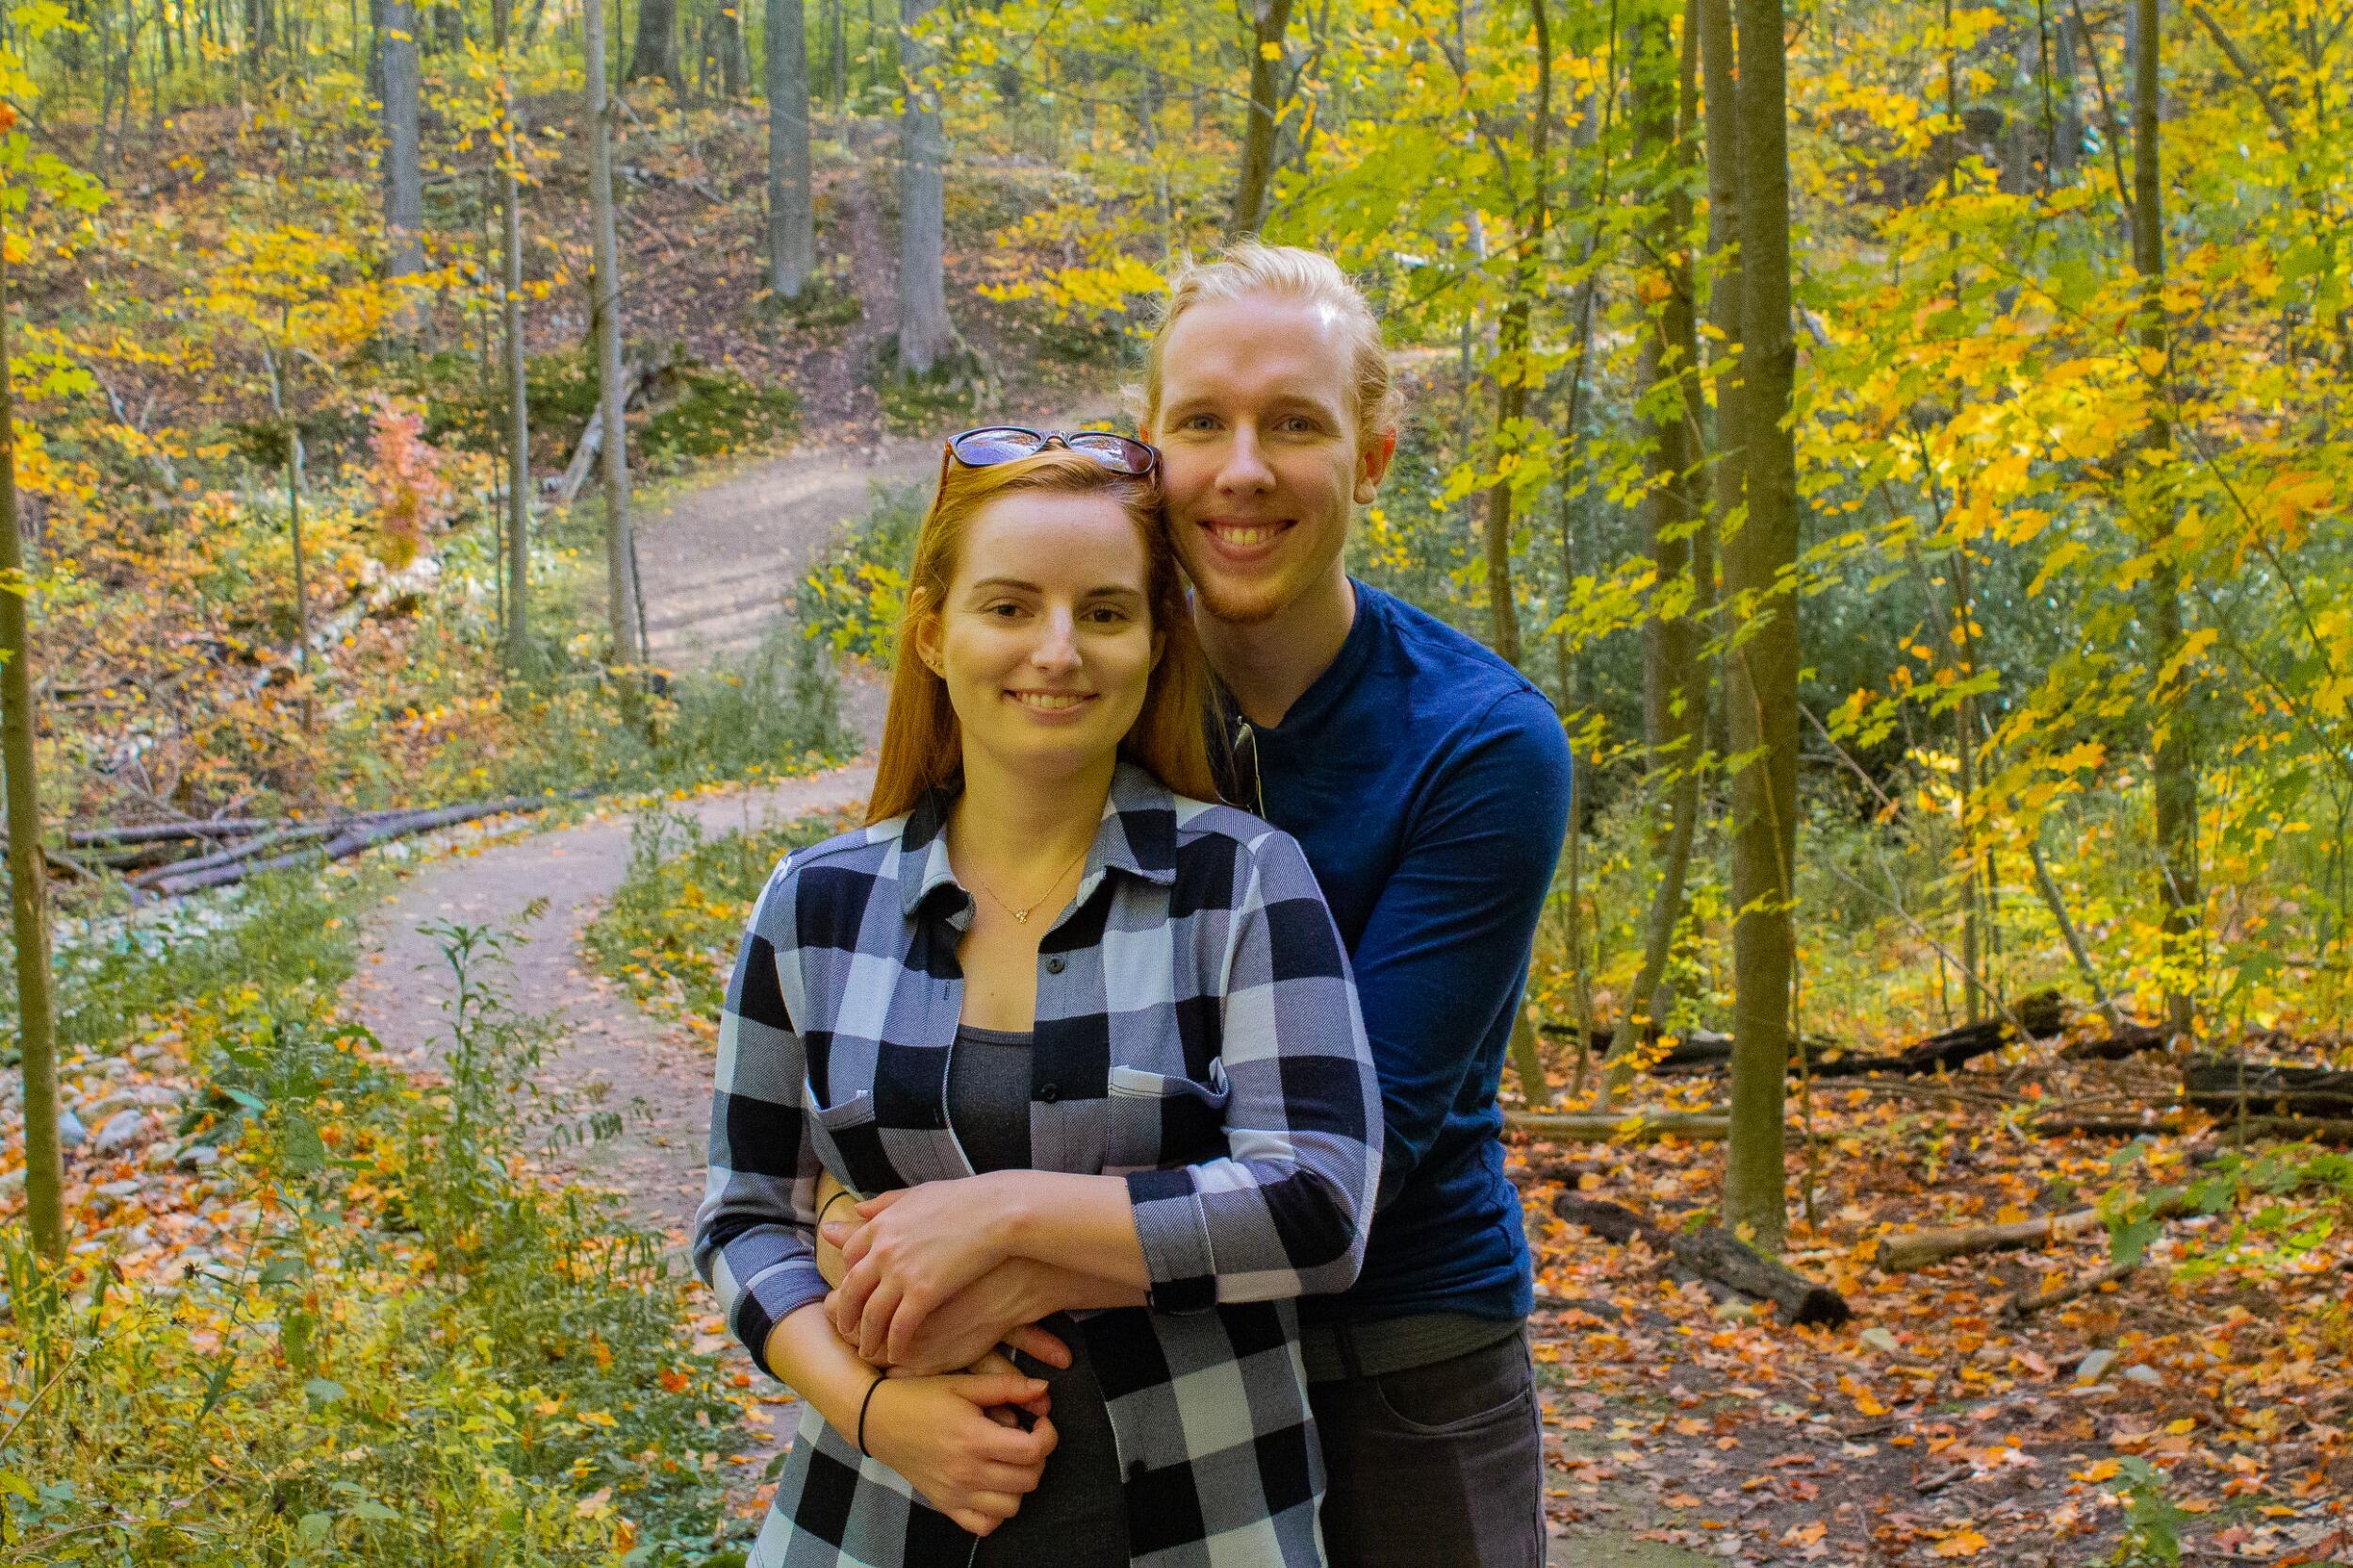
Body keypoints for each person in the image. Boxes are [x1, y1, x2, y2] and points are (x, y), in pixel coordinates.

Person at [835, 246, 1576, 1565]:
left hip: (1396, 1361)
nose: (1243, 469)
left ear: (1373, 455)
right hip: (1137, 1363)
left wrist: (985, 1230)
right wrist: (871, 1228)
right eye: (1201, 424)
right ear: (1150, 454)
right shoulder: (1077, 690)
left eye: (1294, 423)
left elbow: (1359, 1150)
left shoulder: (1479, 744)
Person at [693, 429, 1385, 1568]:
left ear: (1155, 642)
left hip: (1205, 1524)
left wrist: (1000, 1216)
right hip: (870, 1519)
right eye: (1009, 607)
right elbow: (743, 1215)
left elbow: (1317, 1205)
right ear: (934, 633)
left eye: (1104, 612)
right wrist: (876, 1410)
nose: (1057, 651)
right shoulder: (814, 904)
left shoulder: (1243, 882)